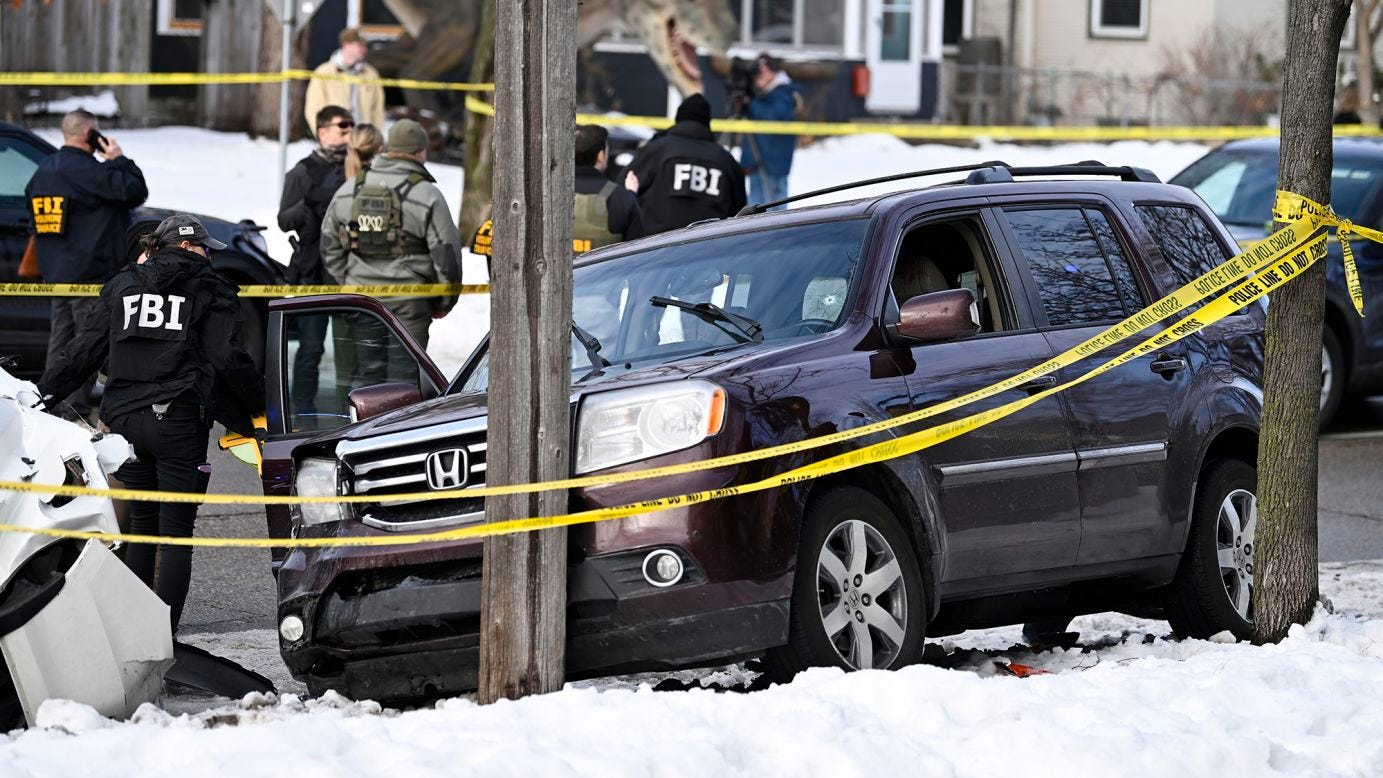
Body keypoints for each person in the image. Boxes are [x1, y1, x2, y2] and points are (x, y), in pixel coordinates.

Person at [37, 214, 264, 632]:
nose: (210, 255)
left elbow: (83, 351)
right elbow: (229, 359)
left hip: (124, 423)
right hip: (178, 422)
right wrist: (259, 406)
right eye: (205, 247)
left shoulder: (123, 283)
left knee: (142, 525)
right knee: (174, 534)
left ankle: (136, 632)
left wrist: (43, 394)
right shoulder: (210, 287)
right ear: (187, 247)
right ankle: (163, 637)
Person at [24, 109, 148, 420]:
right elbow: (135, 190)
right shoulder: (88, 171)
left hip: (57, 276)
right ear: (89, 135)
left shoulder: (44, 171)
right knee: (87, 346)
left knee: (60, 344)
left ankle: (49, 406)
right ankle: (72, 413)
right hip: (90, 275)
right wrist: (118, 158)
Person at [321, 119, 463, 379]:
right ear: (420, 152)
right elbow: (447, 256)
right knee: (405, 380)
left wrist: (351, 280)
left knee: (367, 379)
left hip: (363, 301)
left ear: (388, 149)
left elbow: (329, 244)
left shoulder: (349, 189)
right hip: (411, 303)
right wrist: (444, 300)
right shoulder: (427, 195)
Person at [278, 105, 353, 418]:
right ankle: (302, 412)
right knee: (311, 347)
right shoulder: (303, 171)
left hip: (347, 270)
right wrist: (307, 205)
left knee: (350, 350)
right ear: (322, 132)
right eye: (342, 127)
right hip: (311, 270)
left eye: (351, 127)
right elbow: (284, 220)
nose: (348, 132)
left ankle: (350, 409)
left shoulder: (355, 167)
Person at [626, 93, 746, 234]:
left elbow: (622, 190)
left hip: (656, 243)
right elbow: (741, 213)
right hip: (708, 243)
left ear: (679, 119)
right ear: (707, 123)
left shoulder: (657, 149)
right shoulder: (725, 160)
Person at [739, 53, 802, 209]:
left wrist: (750, 104)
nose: (758, 76)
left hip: (773, 166)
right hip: (757, 164)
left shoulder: (784, 94)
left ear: (772, 71)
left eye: (762, 71)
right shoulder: (760, 95)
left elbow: (772, 117)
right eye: (756, 72)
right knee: (754, 211)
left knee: (775, 213)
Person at [573, 124, 645, 253]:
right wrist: (631, 195)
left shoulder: (551, 192)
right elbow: (636, 252)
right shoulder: (620, 197)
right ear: (600, 156)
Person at [304, 28, 386, 132]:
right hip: (335, 136)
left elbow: (378, 109)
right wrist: (324, 135)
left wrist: (374, 134)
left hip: (363, 137)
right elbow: (313, 108)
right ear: (346, 45)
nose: (364, 49)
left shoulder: (371, 74)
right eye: (360, 45)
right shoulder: (324, 72)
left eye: (365, 45)